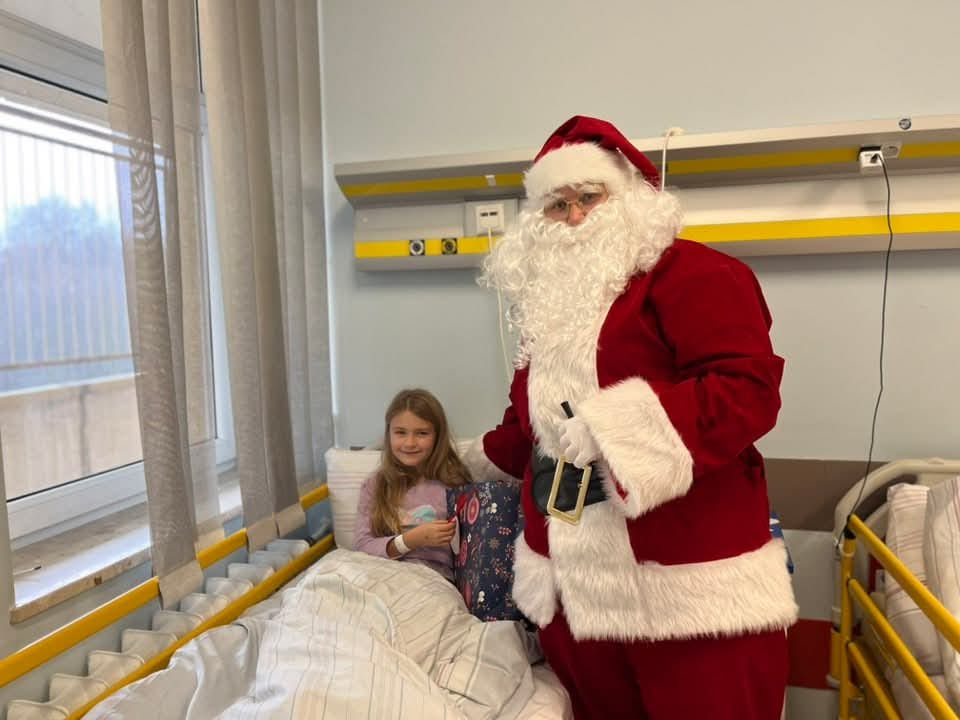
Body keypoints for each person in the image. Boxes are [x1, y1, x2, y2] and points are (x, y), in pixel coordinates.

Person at [464, 116, 798, 719]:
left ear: (631, 197)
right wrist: (456, 457)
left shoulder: (699, 275)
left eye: (588, 197)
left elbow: (746, 391)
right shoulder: (548, 313)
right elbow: (528, 429)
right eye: (556, 205)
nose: (573, 218)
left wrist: (611, 429)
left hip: (685, 587)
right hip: (571, 587)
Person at [354, 388, 471, 581]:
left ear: (437, 436)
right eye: (400, 432)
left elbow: (470, 551)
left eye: (422, 433)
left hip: (431, 580)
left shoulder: (455, 485)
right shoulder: (375, 485)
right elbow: (362, 546)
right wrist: (410, 540)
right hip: (378, 575)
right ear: (389, 434)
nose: (410, 443)